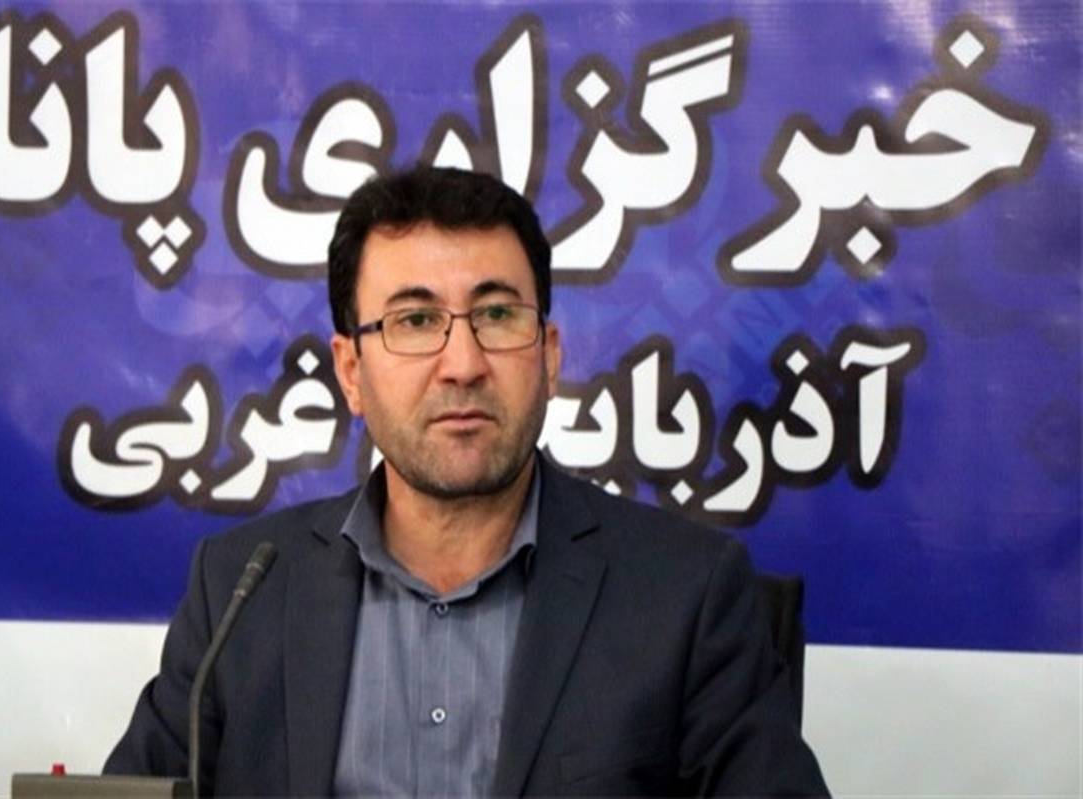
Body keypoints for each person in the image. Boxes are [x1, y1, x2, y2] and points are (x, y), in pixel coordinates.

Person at [105, 166, 829, 796]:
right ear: (351, 372)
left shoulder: (687, 594)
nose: (462, 364)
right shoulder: (241, 591)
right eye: (416, 320)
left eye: (497, 314)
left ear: (548, 357)